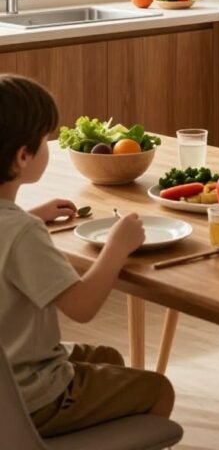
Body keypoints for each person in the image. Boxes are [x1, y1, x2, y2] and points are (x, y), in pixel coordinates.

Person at [0, 74, 175, 437]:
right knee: (159, 389)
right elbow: (81, 307)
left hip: (11, 373)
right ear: (22, 156)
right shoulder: (23, 233)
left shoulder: (18, 227)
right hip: (31, 396)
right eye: (47, 139)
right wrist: (116, 247)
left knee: (107, 359)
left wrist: (32, 217)